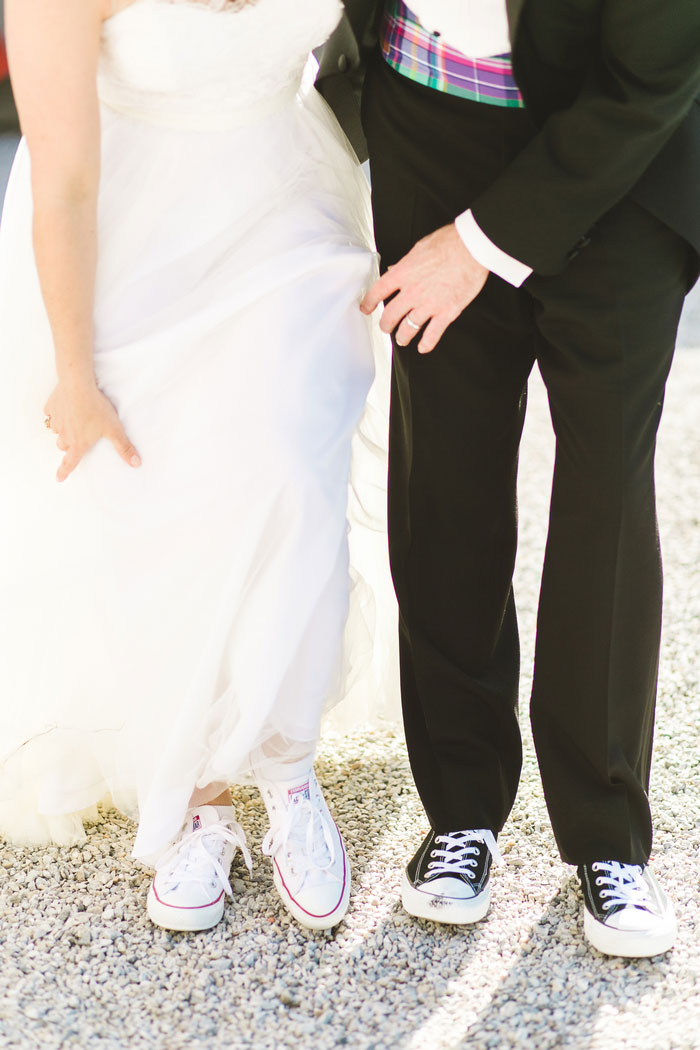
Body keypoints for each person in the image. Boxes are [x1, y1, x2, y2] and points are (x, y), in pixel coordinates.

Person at [0, 0, 388, 934]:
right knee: (171, 499)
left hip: (292, 208)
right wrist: (74, 371)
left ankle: (290, 770)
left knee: (295, 469)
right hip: (129, 237)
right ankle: (198, 799)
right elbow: (63, 184)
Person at [333, 0, 699, 957]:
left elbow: (651, 78)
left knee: (604, 501)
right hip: (429, 126)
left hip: (622, 163)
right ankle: (458, 812)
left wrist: (478, 246)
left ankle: (609, 838)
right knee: (445, 483)